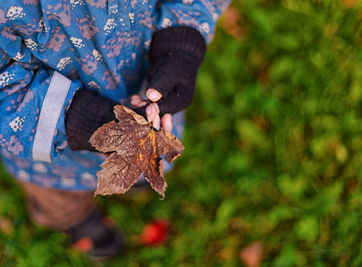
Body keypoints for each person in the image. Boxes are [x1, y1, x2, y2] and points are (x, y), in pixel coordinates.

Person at [0, 0, 230, 259]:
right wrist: (76, 118)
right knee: (57, 194)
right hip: (44, 136)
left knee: (144, 157)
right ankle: (71, 218)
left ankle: (136, 174)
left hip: (142, 82)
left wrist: (180, 42)